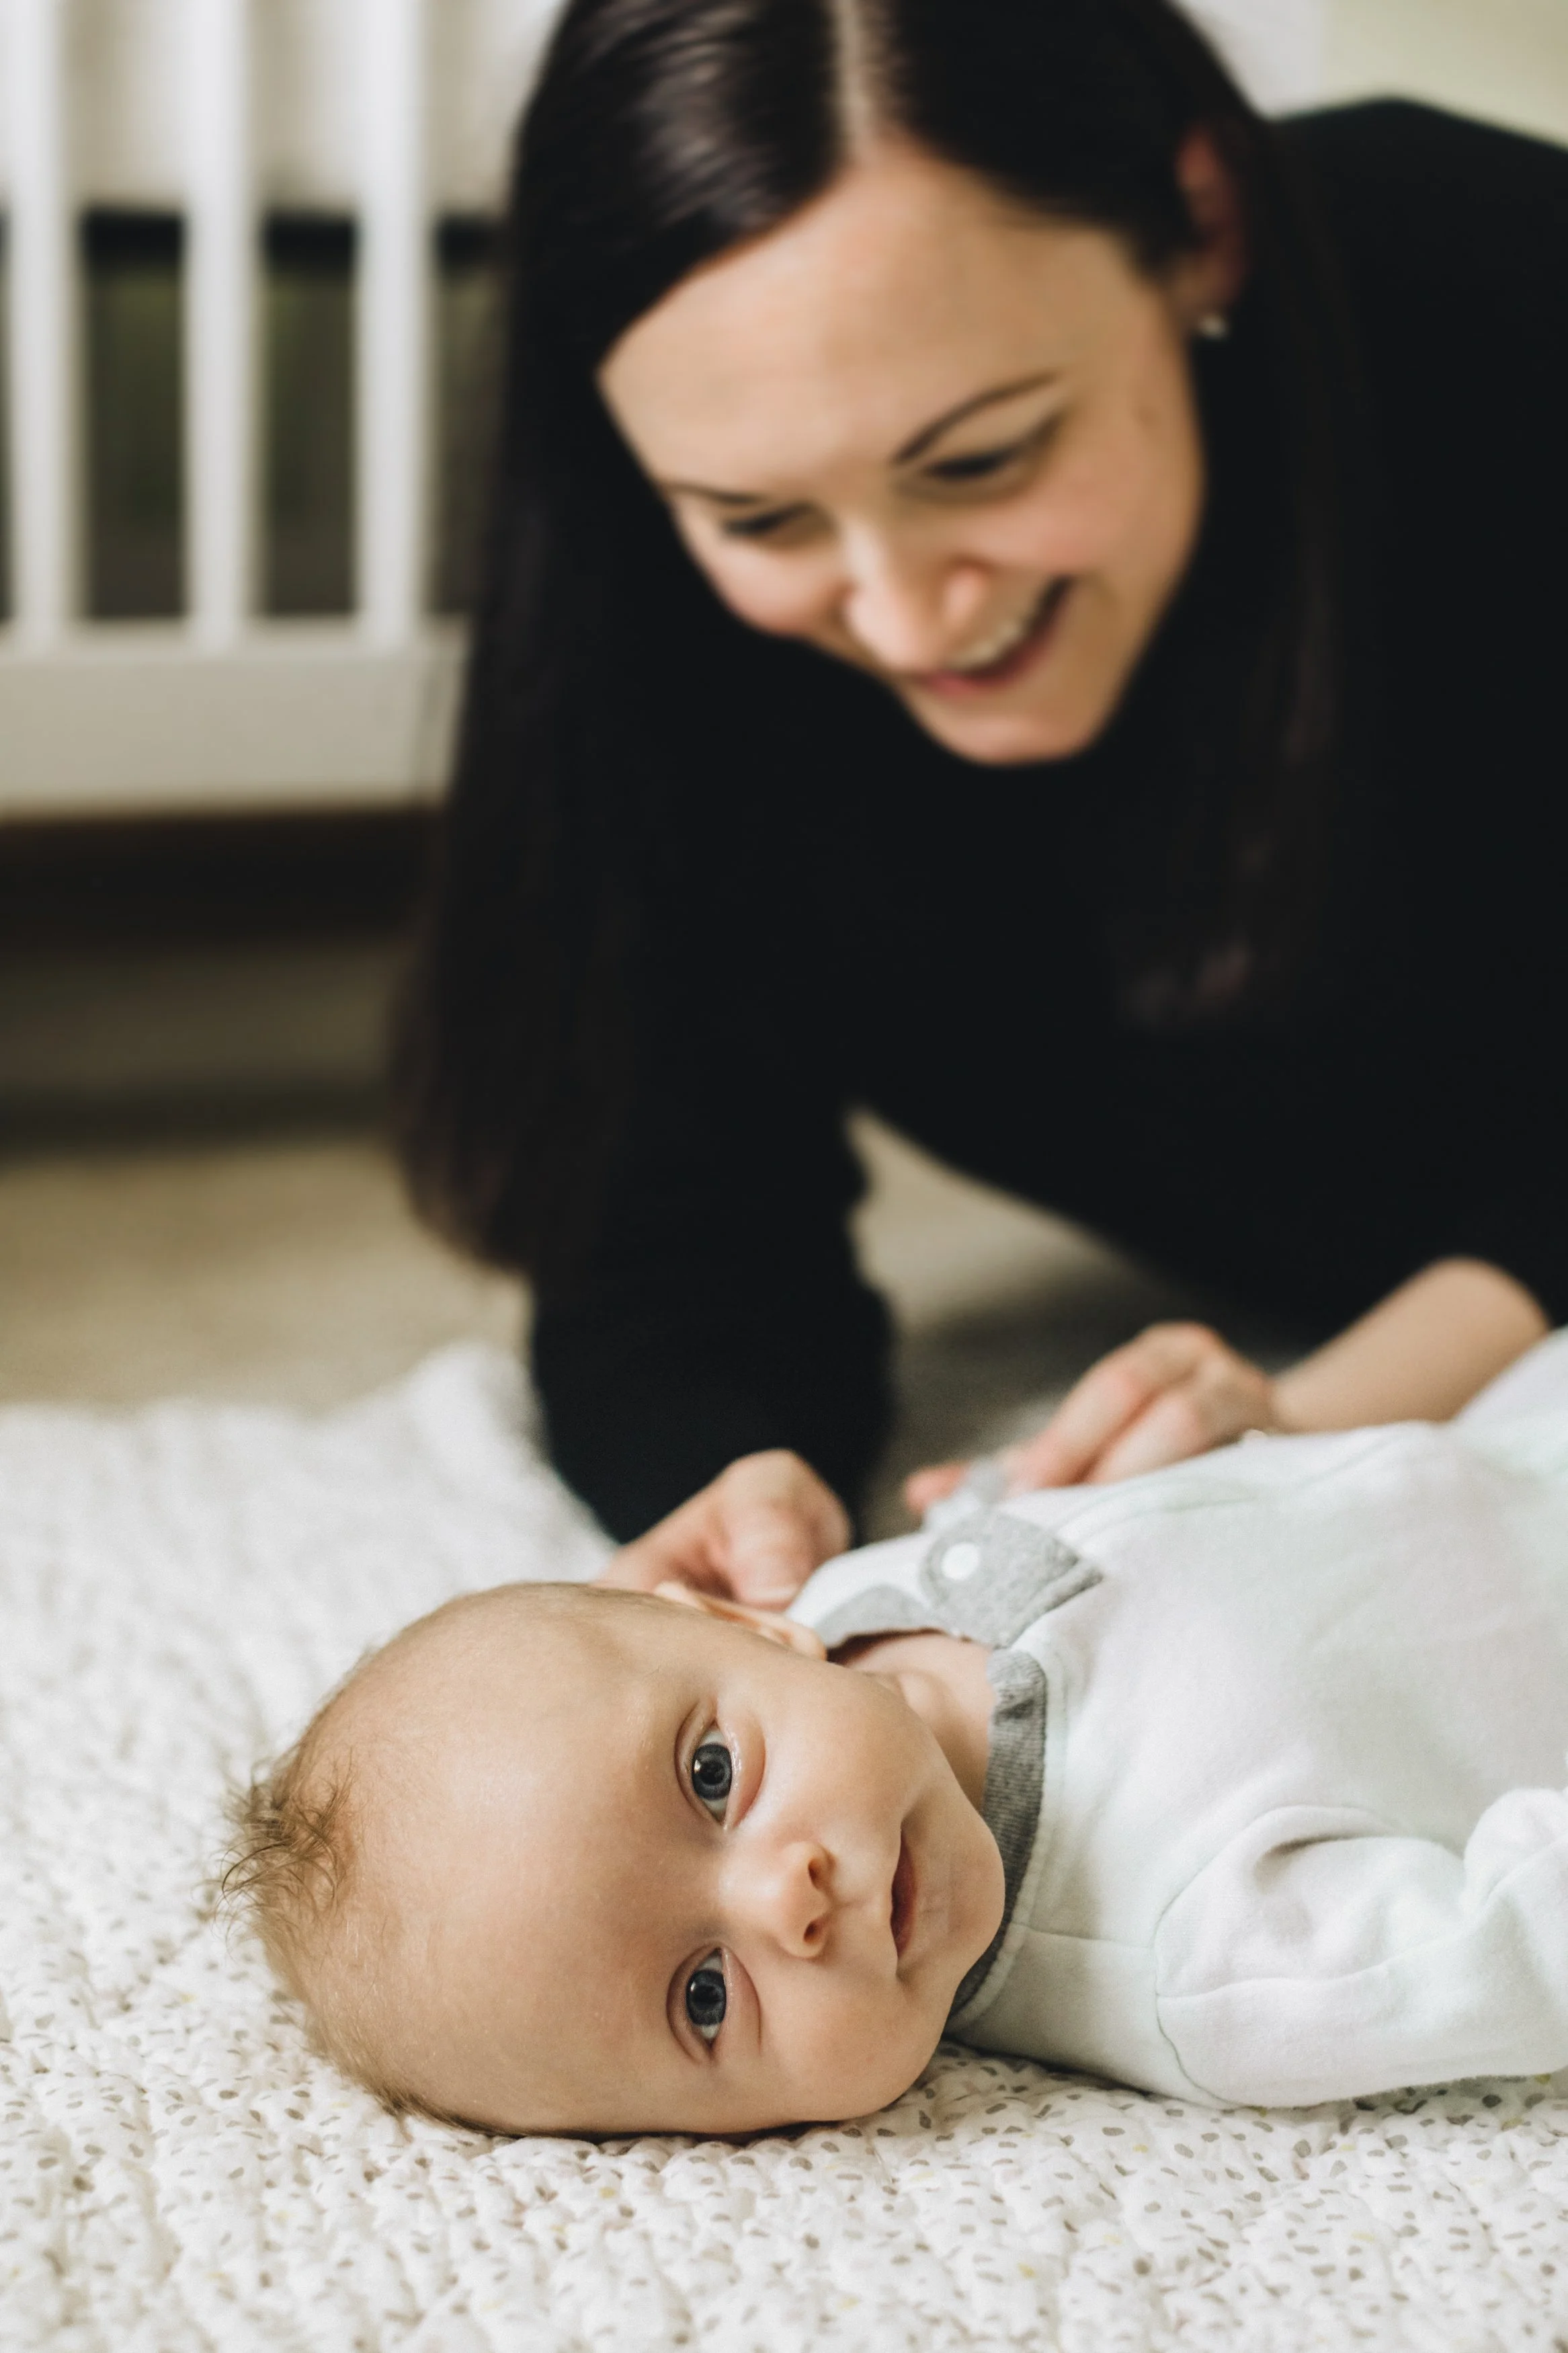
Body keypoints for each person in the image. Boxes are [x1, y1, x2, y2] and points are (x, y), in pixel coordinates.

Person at [397, 0, 1568, 1605]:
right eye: (760, 515)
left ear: (1200, 226)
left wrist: (1327, 1419)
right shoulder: (641, 600)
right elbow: (664, 1220)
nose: (904, 619)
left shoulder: (1497, 289)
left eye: (982, 461)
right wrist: (730, 1493)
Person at [226, 1331, 1568, 2137]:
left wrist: (761, 1491)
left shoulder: (830, 1613)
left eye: (708, 1777)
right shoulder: (1202, 1964)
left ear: (744, 1630)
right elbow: (1515, 1943)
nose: (785, 1897)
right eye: (704, 1996)